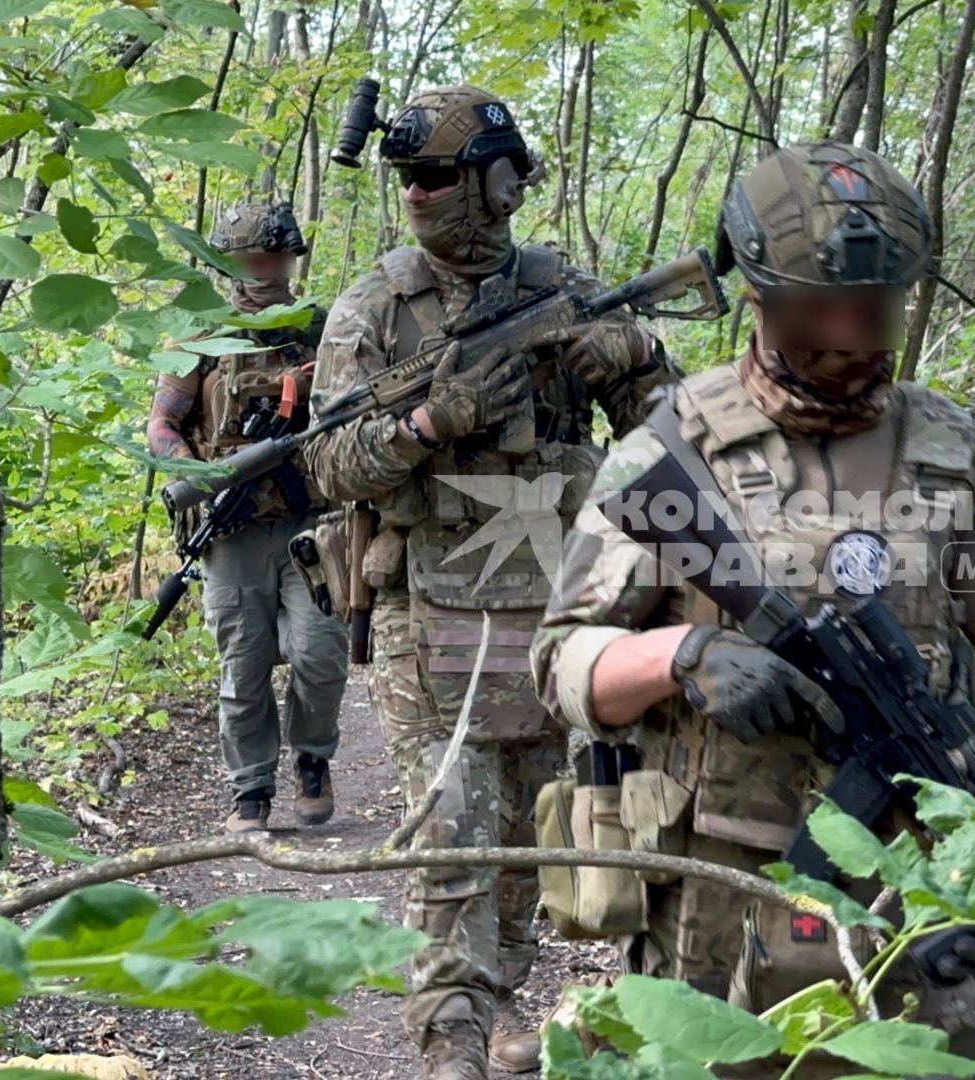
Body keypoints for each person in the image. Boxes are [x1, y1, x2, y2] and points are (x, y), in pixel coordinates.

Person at [530, 142, 975, 1079]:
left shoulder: (946, 447)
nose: (855, 328)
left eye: (878, 303)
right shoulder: (675, 449)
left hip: (916, 886)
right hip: (720, 893)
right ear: (761, 295)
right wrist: (685, 655)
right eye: (824, 305)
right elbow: (563, 662)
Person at [302, 87, 674, 1080]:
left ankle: (501, 996)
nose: (417, 196)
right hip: (430, 601)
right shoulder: (374, 307)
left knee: (530, 830)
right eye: (406, 179)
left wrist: (632, 356)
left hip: (558, 604)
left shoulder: (565, 288)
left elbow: (671, 440)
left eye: (435, 177)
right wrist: (430, 425)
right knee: (449, 830)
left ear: (498, 185)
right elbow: (325, 465)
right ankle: (450, 1032)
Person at [145, 201, 350, 835]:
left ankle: (312, 759)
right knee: (244, 666)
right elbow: (161, 425)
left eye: (272, 258)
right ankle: (251, 792)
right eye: (248, 260)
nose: (262, 271)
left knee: (321, 656)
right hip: (230, 529)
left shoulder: (324, 327)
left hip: (311, 521)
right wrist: (200, 476)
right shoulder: (201, 333)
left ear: (292, 257)